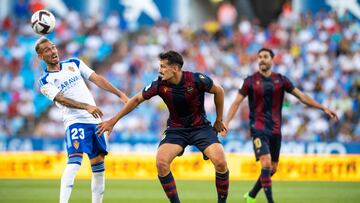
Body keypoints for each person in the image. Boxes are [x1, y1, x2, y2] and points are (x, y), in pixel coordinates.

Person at [96, 50, 230, 203]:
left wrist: (219, 120)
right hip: (176, 130)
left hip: (201, 128)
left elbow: (219, 90)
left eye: (164, 66)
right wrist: (112, 121)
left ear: (175, 68)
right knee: (161, 162)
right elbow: (136, 100)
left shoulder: (195, 79)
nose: (160, 70)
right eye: (160, 66)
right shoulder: (159, 84)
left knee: (220, 162)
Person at [223, 48, 338, 203]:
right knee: (265, 161)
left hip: (276, 130)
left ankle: (251, 195)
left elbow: (302, 97)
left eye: (265, 56)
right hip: (258, 128)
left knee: (273, 168)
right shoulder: (250, 80)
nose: (262, 59)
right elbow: (236, 103)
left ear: (272, 59)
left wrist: (323, 107)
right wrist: (226, 122)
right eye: (259, 57)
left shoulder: (281, 80)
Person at [35, 37, 128, 203]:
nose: (53, 51)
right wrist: (86, 106)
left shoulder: (74, 63)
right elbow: (60, 98)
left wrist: (119, 94)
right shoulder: (44, 81)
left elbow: (97, 78)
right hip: (75, 122)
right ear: (41, 56)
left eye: (53, 47)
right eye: (47, 50)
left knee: (99, 166)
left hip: (95, 121)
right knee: (74, 162)